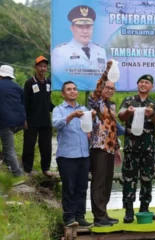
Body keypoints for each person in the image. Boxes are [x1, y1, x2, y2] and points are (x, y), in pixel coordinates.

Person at [119, 74, 155, 223]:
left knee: (147, 179)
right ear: (138, 85)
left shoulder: (154, 104)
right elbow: (121, 116)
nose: (143, 84)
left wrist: (152, 115)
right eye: (141, 82)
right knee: (129, 179)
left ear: (151, 86)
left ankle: (144, 208)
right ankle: (129, 210)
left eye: (147, 82)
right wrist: (128, 112)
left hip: (148, 148)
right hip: (131, 148)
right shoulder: (128, 100)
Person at [52, 81, 94, 227]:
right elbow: (56, 125)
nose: (72, 91)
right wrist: (71, 116)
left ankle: (80, 216)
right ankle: (69, 217)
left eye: (74, 89)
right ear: (63, 93)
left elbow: (91, 128)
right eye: (69, 89)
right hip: (67, 156)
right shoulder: (59, 109)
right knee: (68, 187)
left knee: (82, 188)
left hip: (83, 155)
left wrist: (93, 117)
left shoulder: (83, 109)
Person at [88, 61, 122, 227]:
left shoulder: (112, 105)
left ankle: (104, 213)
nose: (109, 90)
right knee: (99, 181)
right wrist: (107, 71)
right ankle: (98, 217)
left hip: (109, 148)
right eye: (107, 87)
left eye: (112, 88)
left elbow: (113, 129)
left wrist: (117, 148)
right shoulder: (95, 102)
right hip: (98, 147)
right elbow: (98, 86)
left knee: (108, 182)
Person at [22, 56, 55, 177]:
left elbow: (48, 102)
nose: (43, 68)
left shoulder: (48, 83)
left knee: (46, 146)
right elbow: (25, 102)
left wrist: (58, 109)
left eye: (45, 66)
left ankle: (45, 169)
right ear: (36, 68)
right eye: (40, 66)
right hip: (31, 121)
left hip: (45, 120)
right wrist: (24, 118)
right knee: (29, 145)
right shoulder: (29, 83)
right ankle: (27, 169)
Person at [51, 5, 107, 72]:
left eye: (88, 26)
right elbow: (60, 78)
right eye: (80, 27)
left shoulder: (101, 51)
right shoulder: (60, 52)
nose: (85, 31)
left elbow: (105, 77)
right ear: (72, 28)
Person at [0, 65, 25, 177]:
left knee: (9, 148)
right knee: (7, 143)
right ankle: (6, 165)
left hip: (5, 121)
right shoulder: (18, 87)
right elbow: (24, 103)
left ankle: (18, 173)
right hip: (19, 122)